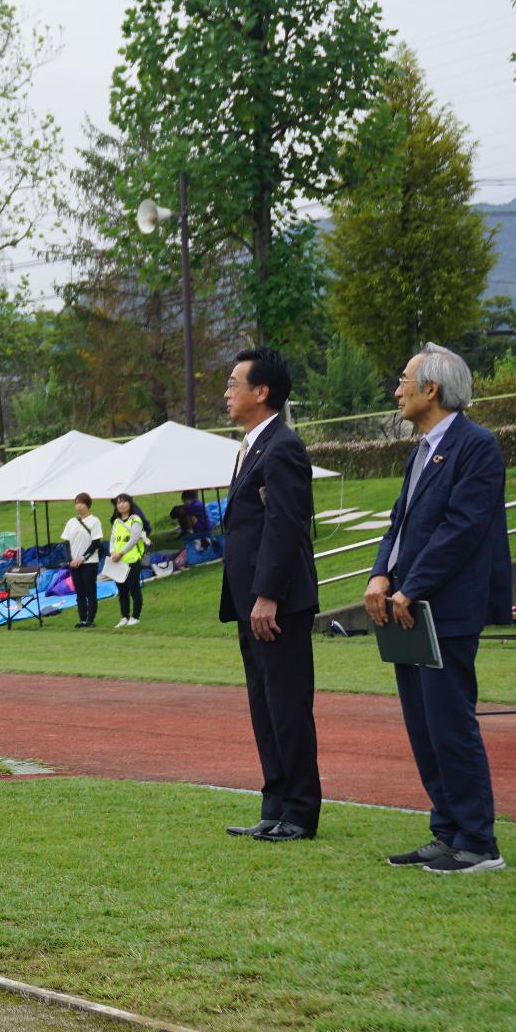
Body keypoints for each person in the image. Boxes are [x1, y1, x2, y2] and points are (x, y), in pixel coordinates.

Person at [364, 345, 514, 874]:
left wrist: (413, 586)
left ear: (432, 388)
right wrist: (382, 574)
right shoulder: (422, 450)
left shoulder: (477, 446)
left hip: (443, 608)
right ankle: (447, 831)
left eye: (404, 380)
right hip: (406, 607)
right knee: (423, 725)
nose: (397, 390)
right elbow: (398, 523)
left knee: (450, 722)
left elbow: (462, 529)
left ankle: (478, 841)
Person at [218, 348, 323, 844]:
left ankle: (300, 812)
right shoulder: (250, 446)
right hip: (250, 602)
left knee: (286, 704)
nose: (226, 391)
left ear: (262, 392)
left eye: (235, 382)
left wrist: (267, 595)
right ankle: (275, 803)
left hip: (275, 603)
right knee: (264, 705)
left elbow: (286, 525)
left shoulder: (283, 446)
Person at [61, 493, 105, 630]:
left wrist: (83, 558)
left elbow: (96, 543)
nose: (79, 506)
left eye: (82, 503)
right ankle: (82, 618)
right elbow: (67, 542)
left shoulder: (94, 521)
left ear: (88, 505)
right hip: (74, 563)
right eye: (77, 503)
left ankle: (90, 619)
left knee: (90, 590)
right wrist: (70, 559)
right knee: (79, 592)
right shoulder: (71, 522)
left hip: (89, 562)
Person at [107, 494, 148, 627]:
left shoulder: (135, 519)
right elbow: (112, 539)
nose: (121, 505)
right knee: (122, 591)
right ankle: (124, 616)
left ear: (130, 504)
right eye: (119, 503)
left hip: (131, 559)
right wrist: (112, 552)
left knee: (134, 589)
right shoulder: (117, 522)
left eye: (124, 502)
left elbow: (134, 539)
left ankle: (135, 616)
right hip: (118, 561)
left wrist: (121, 553)